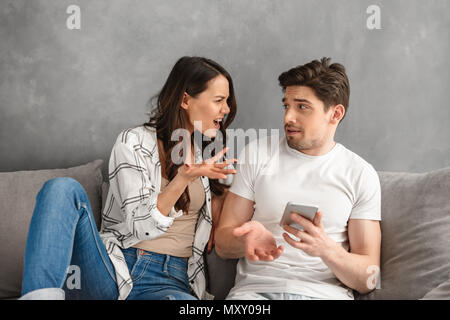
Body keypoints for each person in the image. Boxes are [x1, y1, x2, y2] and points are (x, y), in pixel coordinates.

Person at [20, 56, 237, 300]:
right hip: (114, 269)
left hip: (171, 282)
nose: (226, 109)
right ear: (185, 100)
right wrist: (182, 180)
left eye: (227, 101)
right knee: (61, 188)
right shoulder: (134, 142)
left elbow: (228, 214)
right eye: (219, 100)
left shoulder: (212, 157)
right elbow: (139, 225)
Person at [215, 57, 382, 300]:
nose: (288, 118)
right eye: (286, 106)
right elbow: (222, 243)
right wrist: (247, 240)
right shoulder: (258, 154)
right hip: (255, 294)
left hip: (323, 295)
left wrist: (326, 250)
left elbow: (369, 278)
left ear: (335, 114)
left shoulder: (360, 174)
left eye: (302, 107)